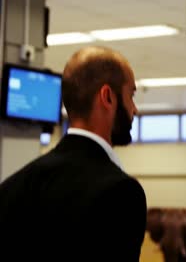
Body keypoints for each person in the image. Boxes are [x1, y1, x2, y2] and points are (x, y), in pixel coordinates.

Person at [0, 46, 146, 262]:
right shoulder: (120, 193)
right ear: (107, 97)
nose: (135, 109)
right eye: (131, 95)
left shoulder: (12, 187)